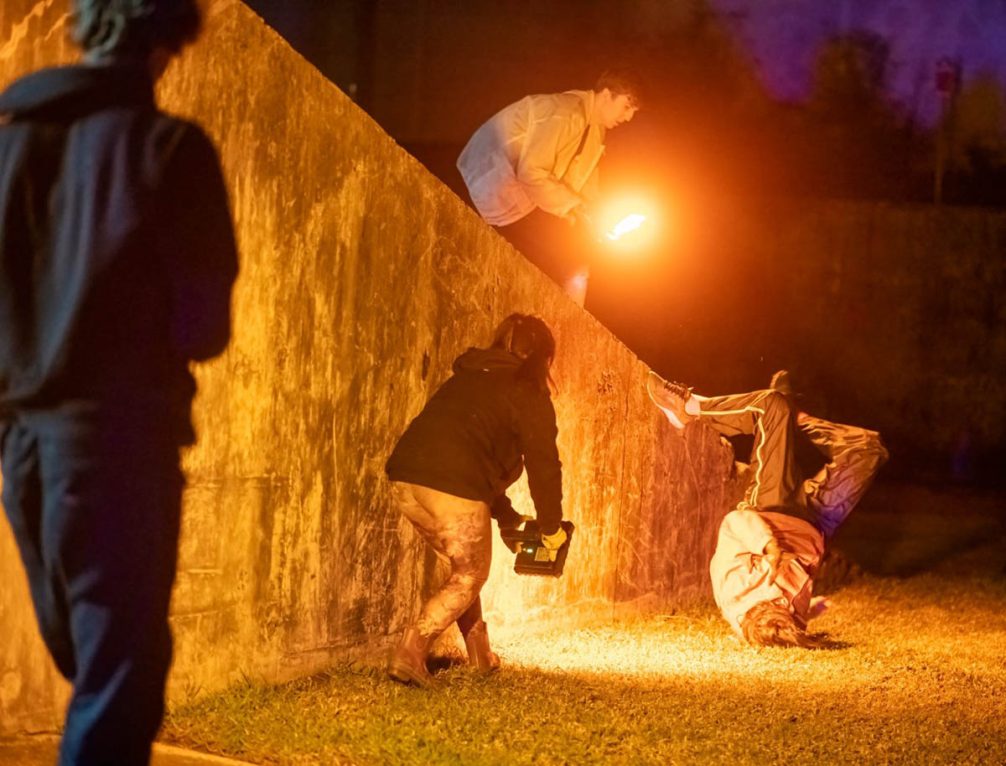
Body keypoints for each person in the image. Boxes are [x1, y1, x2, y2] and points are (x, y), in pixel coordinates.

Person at [0, 1, 238, 762]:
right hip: (118, 444)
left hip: (21, 447)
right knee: (120, 674)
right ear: (172, 41)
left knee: (95, 657)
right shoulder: (170, 149)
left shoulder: (9, 144)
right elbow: (205, 332)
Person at [385, 314, 567, 686]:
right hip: (452, 484)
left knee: (463, 567)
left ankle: (480, 655)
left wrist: (505, 516)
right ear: (543, 357)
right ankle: (411, 651)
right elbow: (544, 464)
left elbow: (470, 447)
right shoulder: (527, 389)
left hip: (405, 478)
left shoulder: (469, 376)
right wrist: (550, 527)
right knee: (471, 573)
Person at [646, 370, 888, 648]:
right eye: (788, 612)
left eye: (775, 607)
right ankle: (797, 419)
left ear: (751, 617)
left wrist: (769, 545)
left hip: (771, 507)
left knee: (771, 406)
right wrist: (811, 609)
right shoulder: (787, 617)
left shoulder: (733, 589)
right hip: (819, 520)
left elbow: (734, 523)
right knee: (868, 449)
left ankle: (689, 409)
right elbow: (786, 611)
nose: (782, 602)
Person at [456, 70, 641, 299]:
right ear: (605, 95)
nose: (628, 117)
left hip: (518, 198)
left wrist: (595, 218)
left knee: (576, 253)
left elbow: (583, 185)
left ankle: (566, 316)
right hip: (483, 184)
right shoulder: (564, 112)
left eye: (633, 111)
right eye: (626, 106)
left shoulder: (595, 131)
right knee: (561, 258)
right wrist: (577, 209)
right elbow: (531, 173)